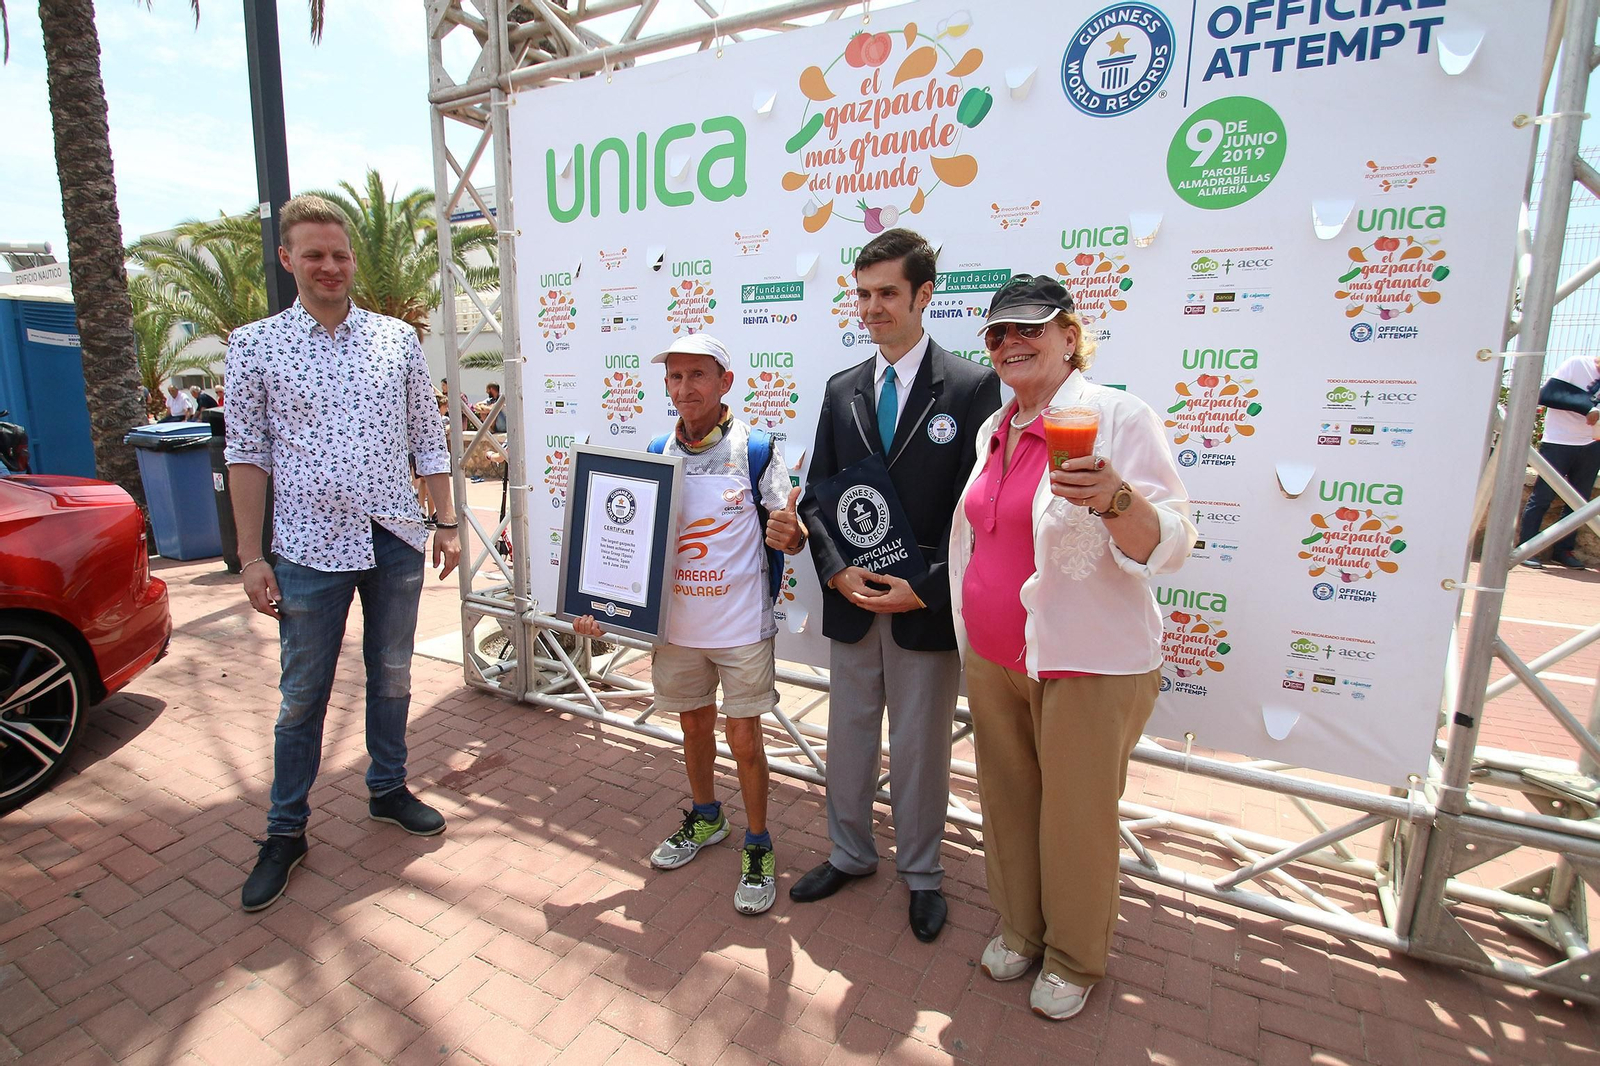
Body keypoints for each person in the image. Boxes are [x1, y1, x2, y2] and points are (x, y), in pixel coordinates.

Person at [948, 274, 1194, 1020]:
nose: (1011, 343)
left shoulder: (1116, 415)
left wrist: (1116, 497)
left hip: (1088, 662)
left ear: (1068, 335)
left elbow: (1174, 544)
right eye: (997, 333)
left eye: (1030, 327)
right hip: (995, 657)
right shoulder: (999, 426)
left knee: (1077, 818)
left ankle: (1075, 958)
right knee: (1010, 804)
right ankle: (1022, 929)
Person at [224, 193, 461, 913]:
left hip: (394, 539)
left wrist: (446, 521)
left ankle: (387, 789)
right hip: (305, 551)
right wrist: (249, 557)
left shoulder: (396, 340)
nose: (330, 266)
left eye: (340, 253)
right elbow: (246, 455)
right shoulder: (255, 346)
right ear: (287, 258)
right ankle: (285, 831)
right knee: (302, 699)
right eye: (315, 254)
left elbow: (428, 435)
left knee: (392, 676)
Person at [792, 228, 1002, 942]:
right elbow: (816, 499)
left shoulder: (973, 387)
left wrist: (931, 588)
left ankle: (922, 874)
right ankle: (849, 853)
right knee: (847, 737)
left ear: (923, 295)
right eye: (863, 294)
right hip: (853, 601)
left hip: (921, 608)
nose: (873, 307)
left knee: (920, 747)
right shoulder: (842, 389)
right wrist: (836, 569)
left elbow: (982, 512)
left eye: (887, 293)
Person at [573, 333, 808, 916]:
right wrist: (600, 603)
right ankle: (707, 818)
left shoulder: (755, 449)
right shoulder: (656, 448)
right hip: (677, 628)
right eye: (675, 378)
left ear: (726, 382)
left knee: (746, 739)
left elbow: (790, 528)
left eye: (697, 376)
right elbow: (625, 545)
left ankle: (758, 843)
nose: (685, 389)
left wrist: (793, 536)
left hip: (740, 627)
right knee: (694, 728)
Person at [1520, 354, 1600, 569]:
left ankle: (1564, 550)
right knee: (1543, 495)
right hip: (1558, 441)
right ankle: (1527, 547)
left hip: (1592, 444)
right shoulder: (1577, 364)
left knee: (1578, 502)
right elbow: (1549, 394)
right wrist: (1588, 408)